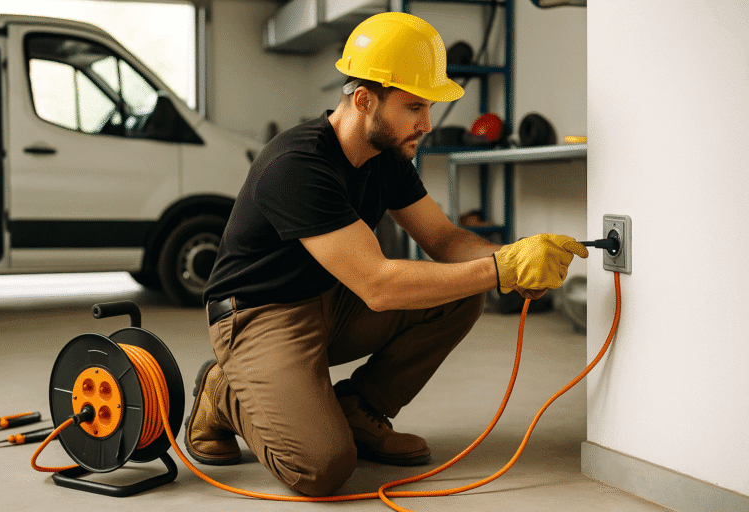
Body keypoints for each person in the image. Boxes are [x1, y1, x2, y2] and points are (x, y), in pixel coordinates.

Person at [185, 11, 588, 497]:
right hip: (259, 315)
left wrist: (513, 257)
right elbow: (378, 285)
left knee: (461, 291)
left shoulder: (387, 156)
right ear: (363, 100)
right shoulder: (298, 165)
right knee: (322, 469)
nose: (427, 123)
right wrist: (498, 271)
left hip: (331, 300)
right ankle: (223, 392)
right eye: (414, 107)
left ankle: (360, 408)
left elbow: (444, 240)